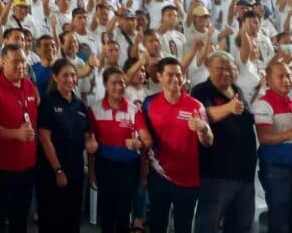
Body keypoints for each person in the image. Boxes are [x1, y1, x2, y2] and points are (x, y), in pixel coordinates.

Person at [142, 57, 213, 233]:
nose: (176, 79)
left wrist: (203, 129)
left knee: (183, 226)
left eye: (179, 75)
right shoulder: (149, 103)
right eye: (170, 75)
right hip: (159, 175)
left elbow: (208, 141)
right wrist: (143, 172)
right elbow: (145, 141)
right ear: (159, 76)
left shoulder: (195, 105)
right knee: (157, 224)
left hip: (188, 179)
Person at [190, 51, 256, 233]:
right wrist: (227, 108)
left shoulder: (238, 90)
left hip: (244, 172)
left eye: (231, 68)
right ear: (209, 69)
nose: (227, 73)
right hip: (217, 173)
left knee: (241, 224)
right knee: (208, 224)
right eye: (221, 68)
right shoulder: (201, 90)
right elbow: (204, 116)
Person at [0, 44, 38, 233]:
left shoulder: (29, 85)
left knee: (20, 217)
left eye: (23, 61)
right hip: (2, 167)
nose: (21, 65)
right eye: (15, 62)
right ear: (3, 63)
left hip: (27, 165)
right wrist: (17, 134)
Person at [36, 58, 97, 232]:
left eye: (72, 75)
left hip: (76, 170)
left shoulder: (80, 105)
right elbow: (45, 139)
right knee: (51, 218)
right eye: (65, 75)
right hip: (52, 171)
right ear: (55, 77)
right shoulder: (48, 102)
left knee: (72, 217)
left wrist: (90, 143)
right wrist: (58, 170)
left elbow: (86, 135)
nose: (69, 79)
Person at [88, 67, 152, 233]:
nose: (119, 87)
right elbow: (90, 144)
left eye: (122, 83)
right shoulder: (95, 109)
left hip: (129, 167)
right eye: (114, 83)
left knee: (124, 213)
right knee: (106, 212)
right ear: (105, 85)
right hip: (104, 166)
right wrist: (92, 171)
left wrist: (138, 143)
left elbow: (147, 141)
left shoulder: (134, 110)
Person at [254, 61, 292, 233]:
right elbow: (264, 137)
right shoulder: (264, 104)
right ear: (268, 80)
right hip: (275, 169)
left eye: (289, 76)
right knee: (279, 218)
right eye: (281, 76)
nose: (287, 80)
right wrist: (289, 135)